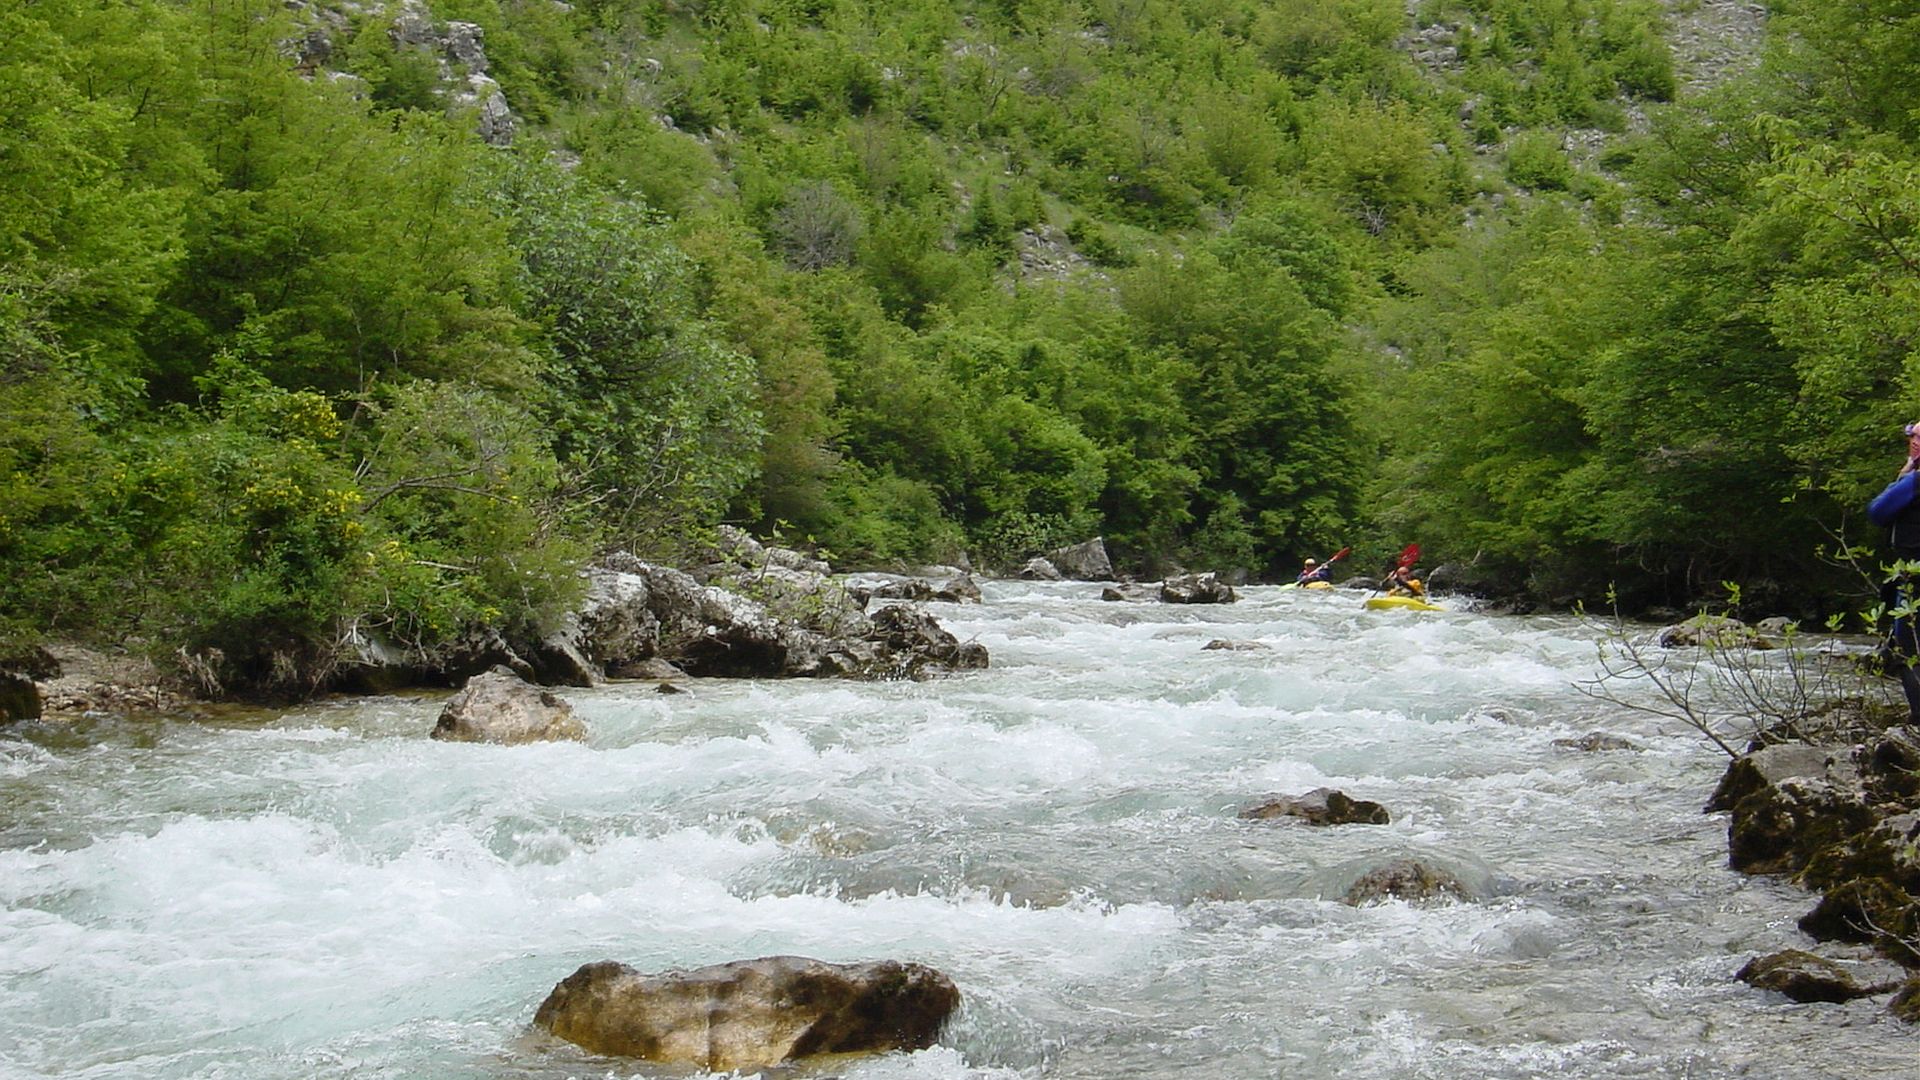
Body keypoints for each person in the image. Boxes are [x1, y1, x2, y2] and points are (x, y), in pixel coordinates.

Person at [1866, 421, 1920, 721]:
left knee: (1908, 647)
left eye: (1916, 437)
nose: (1911, 441)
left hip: (1914, 577)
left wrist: (1901, 478)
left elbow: (1877, 512)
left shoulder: (1914, 482)